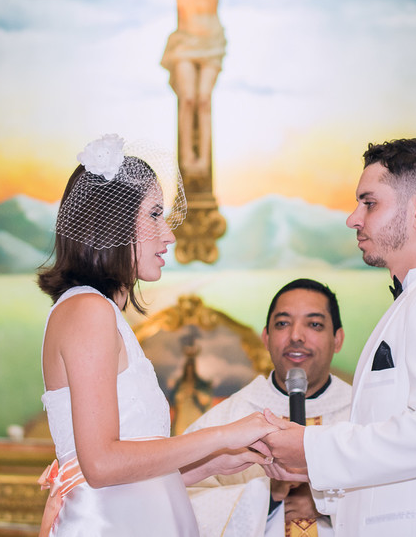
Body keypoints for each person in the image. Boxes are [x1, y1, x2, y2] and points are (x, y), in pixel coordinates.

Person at [36, 133, 276, 536]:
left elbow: (124, 476)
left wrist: (207, 465)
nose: (170, 235)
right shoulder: (87, 311)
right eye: (154, 215)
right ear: (110, 223)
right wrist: (223, 435)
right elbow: (102, 465)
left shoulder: (100, 312)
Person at [260, 138, 416, 536]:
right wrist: (312, 475)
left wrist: (312, 447)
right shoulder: (413, 301)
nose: (354, 218)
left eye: (369, 203)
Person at [92, 0, 293, 176]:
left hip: (212, 41)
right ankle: (187, 159)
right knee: (187, 99)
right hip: (186, 41)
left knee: (203, 101)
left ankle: (202, 161)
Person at [187, 279, 353, 536]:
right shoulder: (229, 418)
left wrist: (327, 504)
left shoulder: (364, 414)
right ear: (266, 337)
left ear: (338, 339)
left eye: (314, 324)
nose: (296, 336)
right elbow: (178, 499)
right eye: (283, 324)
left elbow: (403, 494)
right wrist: (267, 498)